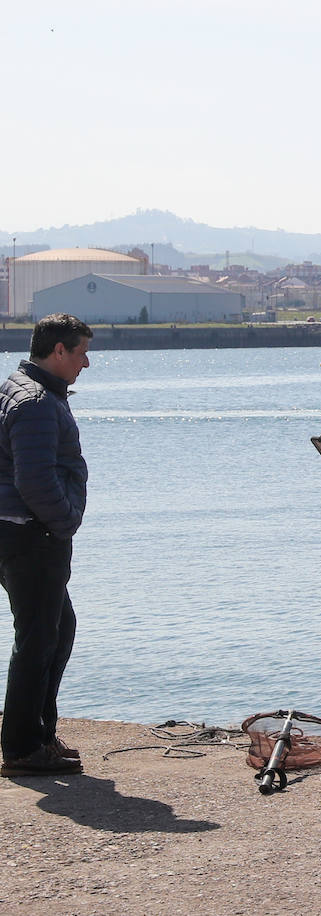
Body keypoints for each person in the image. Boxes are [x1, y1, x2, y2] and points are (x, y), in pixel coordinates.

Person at [0, 314, 93, 778]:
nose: (86, 363)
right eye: (79, 353)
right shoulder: (36, 402)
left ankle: (36, 732)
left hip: (20, 530)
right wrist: (64, 521)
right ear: (58, 351)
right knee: (38, 638)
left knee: (55, 629)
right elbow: (35, 480)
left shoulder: (19, 388)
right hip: (31, 533)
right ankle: (21, 746)